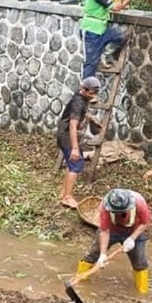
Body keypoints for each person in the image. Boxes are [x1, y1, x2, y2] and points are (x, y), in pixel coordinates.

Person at [76, 188, 151, 294]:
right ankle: (80, 281)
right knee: (93, 254)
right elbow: (104, 231)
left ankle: (142, 291)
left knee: (140, 261)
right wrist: (103, 254)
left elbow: (145, 223)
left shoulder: (139, 202)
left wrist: (132, 238)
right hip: (112, 230)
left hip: (135, 231)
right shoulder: (104, 206)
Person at [56, 77, 102, 208]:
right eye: (91, 93)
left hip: (64, 134)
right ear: (84, 89)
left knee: (72, 163)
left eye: (95, 93)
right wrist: (75, 148)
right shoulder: (78, 102)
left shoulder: (83, 98)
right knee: (76, 164)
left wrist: (91, 118)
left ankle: (63, 193)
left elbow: (82, 113)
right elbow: (72, 125)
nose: (93, 96)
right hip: (66, 135)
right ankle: (67, 197)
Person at [80, 0, 130, 79]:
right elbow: (116, 8)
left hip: (102, 29)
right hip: (91, 31)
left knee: (120, 36)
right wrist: (126, 2)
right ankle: (85, 85)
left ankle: (105, 54)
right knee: (91, 62)